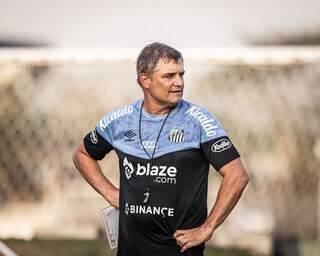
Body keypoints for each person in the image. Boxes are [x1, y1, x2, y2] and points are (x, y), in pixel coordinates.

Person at [73, 42, 250, 256]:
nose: (179, 82)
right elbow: (82, 154)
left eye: (181, 74)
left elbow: (237, 175)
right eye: (169, 76)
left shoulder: (198, 121)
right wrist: (110, 192)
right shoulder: (120, 121)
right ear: (145, 80)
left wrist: (208, 227)